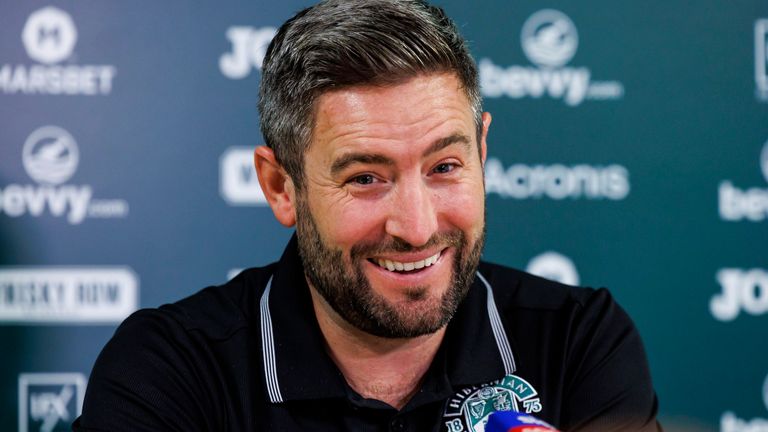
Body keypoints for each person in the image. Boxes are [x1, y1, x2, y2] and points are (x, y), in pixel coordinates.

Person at [74, 1, 660, 431]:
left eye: (446, 166)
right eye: (365, 179)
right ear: (282, 187)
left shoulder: (578, 343)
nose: (417, 226)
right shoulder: (169, 372)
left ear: (482, 153)